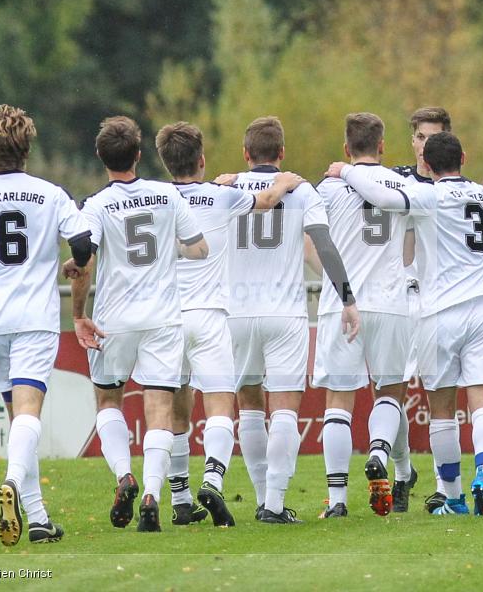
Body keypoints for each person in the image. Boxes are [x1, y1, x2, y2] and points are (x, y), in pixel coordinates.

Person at [327, 131, 483, 516]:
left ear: (425, 165)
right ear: (464, 156)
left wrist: (345, 170)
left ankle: (455, 495)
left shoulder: (427, 196)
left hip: (440, 312)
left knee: (442, 409)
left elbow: (382, 196)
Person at [0, 104, 92, 545]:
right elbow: (83, 242)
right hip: (34, 318)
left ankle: (39, 518)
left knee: (16, 417)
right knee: (29, 413)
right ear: (27, 146)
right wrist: (72, 263)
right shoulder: (51, 194)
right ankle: (12, 480)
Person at [154, 121, 305, 527]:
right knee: (220, 405)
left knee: (173, 408)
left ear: (165, 161)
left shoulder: (155, 198)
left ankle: (180, 499)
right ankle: (214, 481)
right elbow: (268, 199)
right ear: (202, 160)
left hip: (165, 317)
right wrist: (286, 180)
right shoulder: (222, 197)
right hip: (209, 315)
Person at [66, 116, 208, 533]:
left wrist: (77, 314)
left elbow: (85, 261)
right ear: (140, 155)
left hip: (115, 320)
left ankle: (123, 475)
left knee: (109, 402)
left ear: (100, 157)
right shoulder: (167, 195)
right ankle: (151, 494)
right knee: (160, 407)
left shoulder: (95, 204)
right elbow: (199, 248)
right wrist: (172, 251)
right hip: (163, 318)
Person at [228, 116, 360, 524]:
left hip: (236, 311)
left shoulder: (225, 188)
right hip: (284, 312)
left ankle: (261, 495)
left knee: (248, 404)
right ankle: (273, 503)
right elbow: (324, 244)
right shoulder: (302, 190)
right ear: (282, 153)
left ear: (246, 154)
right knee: (284, 407)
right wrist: (348, 297)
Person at [313, 112, 415, 518]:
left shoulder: (328, 188)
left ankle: (337, 501)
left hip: (342, 303)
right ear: (383, 146)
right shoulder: (403, 185)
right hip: (391, 303)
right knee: (390, 390)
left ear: (345, 149)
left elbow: (314, 239)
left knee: (338, 401)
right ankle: (379, 452)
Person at [393, 107, 452, 513]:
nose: (425, 144)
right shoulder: (394, 181)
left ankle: (442, 485)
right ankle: (401, 472)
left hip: (438, 302)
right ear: (412, 140)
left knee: (438, 397)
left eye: (433, 137)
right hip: (399, 298)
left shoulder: (454, 188)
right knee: (392, 391)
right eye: (420, 137)